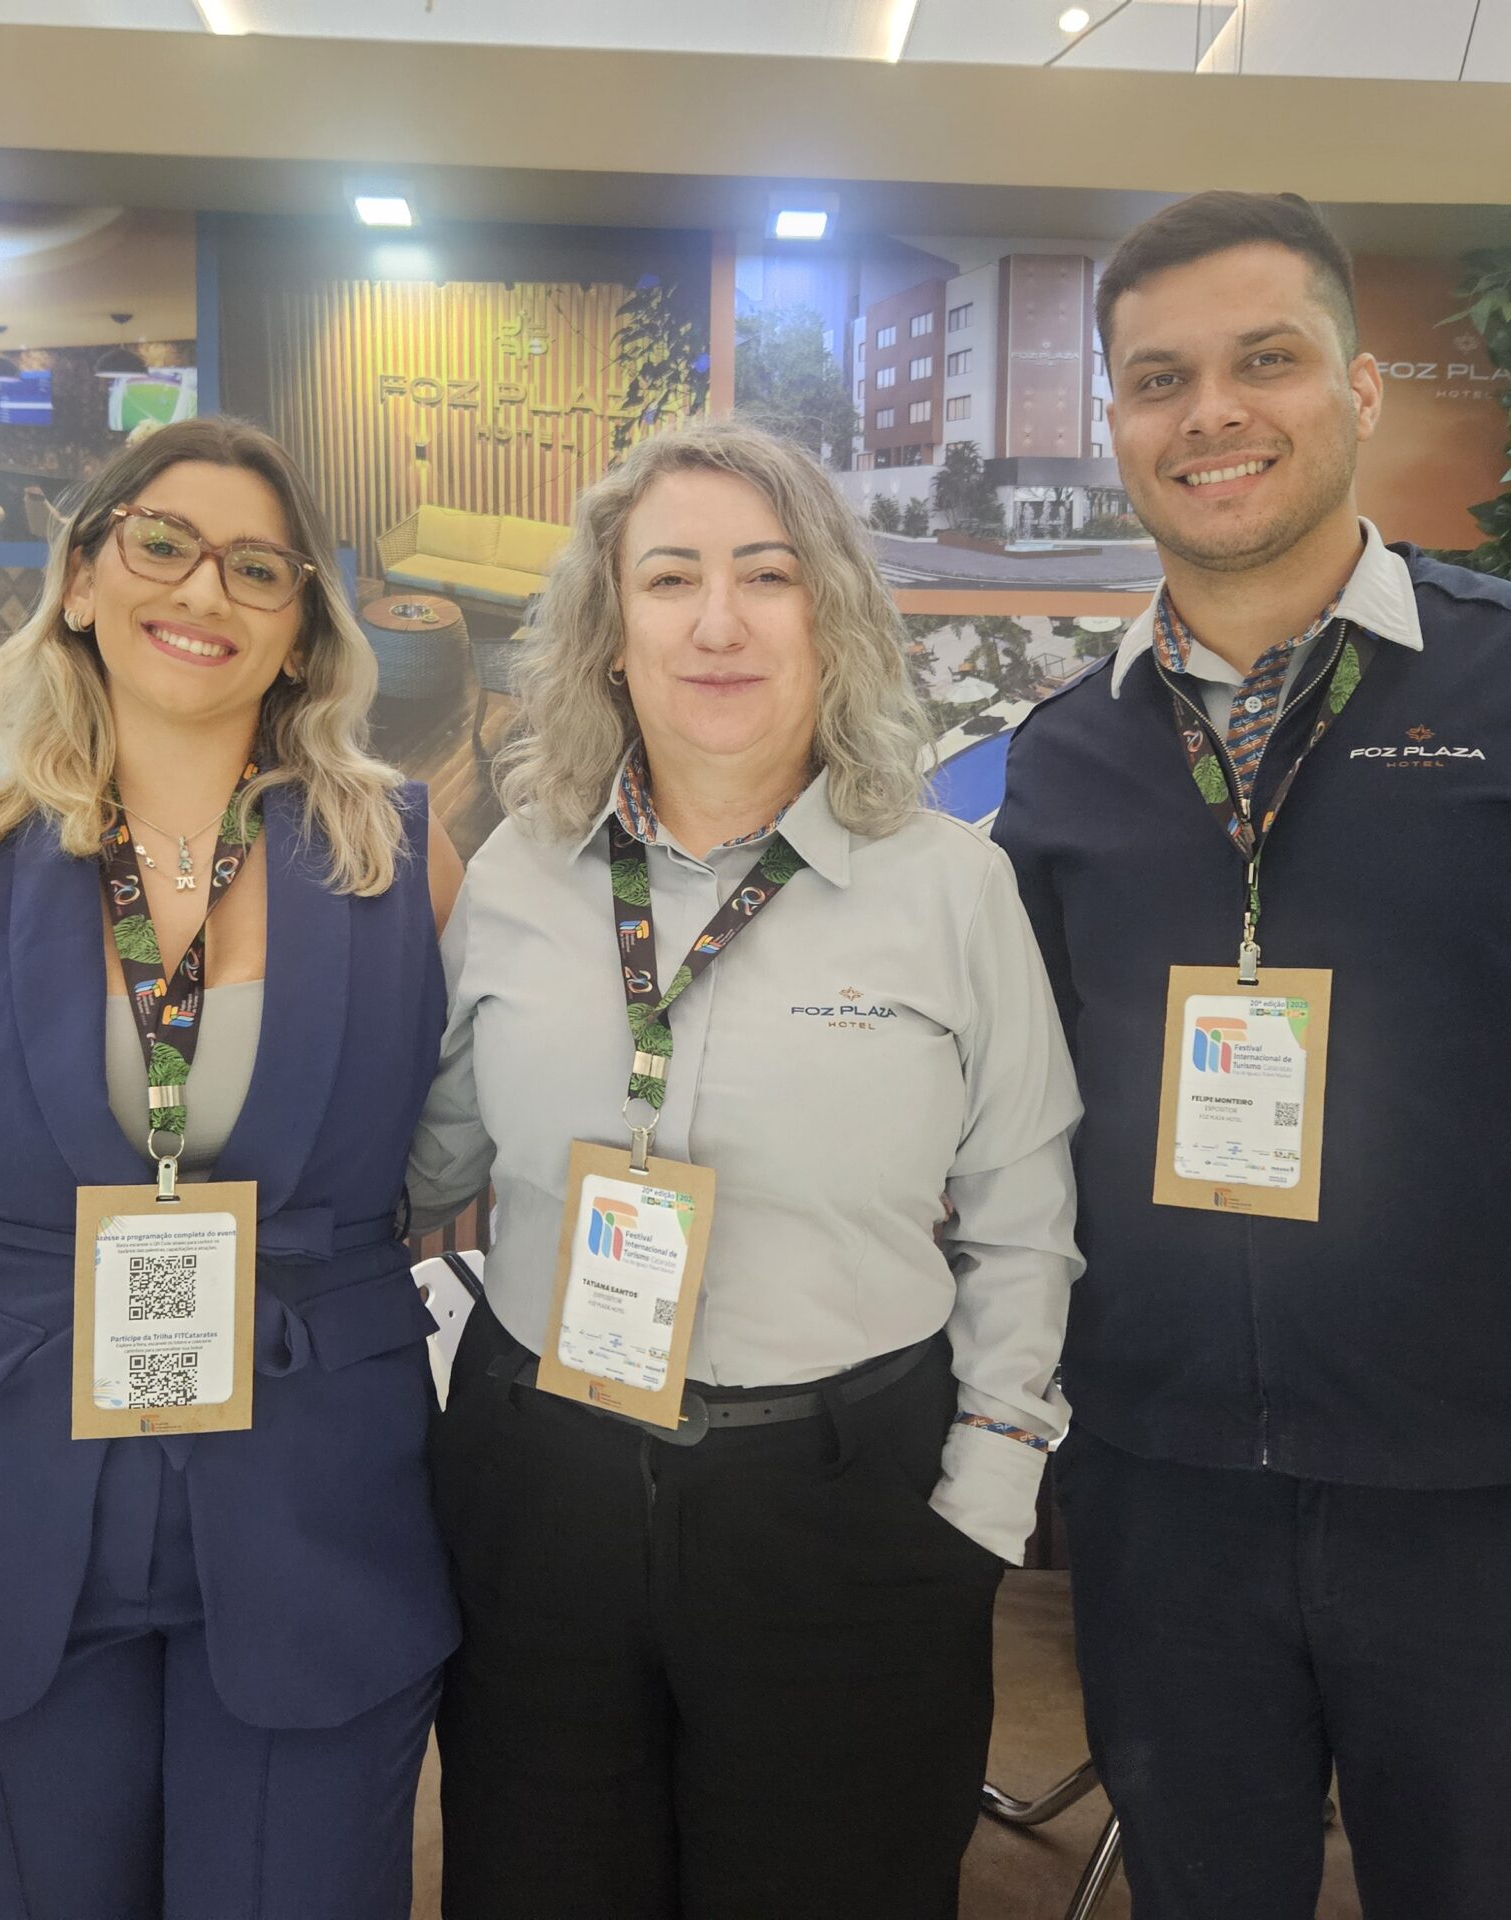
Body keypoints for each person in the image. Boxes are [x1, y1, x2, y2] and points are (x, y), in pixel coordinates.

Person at [993, 192, 1511, 1920]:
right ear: (1119, 427)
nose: (1211, 412)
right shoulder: (1063, 764)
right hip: (1164, 1512)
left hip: (1501, 1521)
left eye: (1263, 359)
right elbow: (1008, 1127)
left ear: (1360, 389)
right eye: (1158, 379)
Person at [0, 417, 464, 1920]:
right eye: (161, 542)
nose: (204, 592)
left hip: (320, 1516)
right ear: (81, 580)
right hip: (4, 1514)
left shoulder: (403, 864)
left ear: (300, 634)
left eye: (257, 569)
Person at [408, 416, 1082, 1920]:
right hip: (544, 1497)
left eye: (765, 575)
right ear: (607, 630)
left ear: (829, 616)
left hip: (846, 1510)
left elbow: (1030, 1219)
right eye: (670, 579)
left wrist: (982, 1498)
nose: (717, 621)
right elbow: (428, 1156)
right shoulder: (519, 869)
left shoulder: (951, 887)